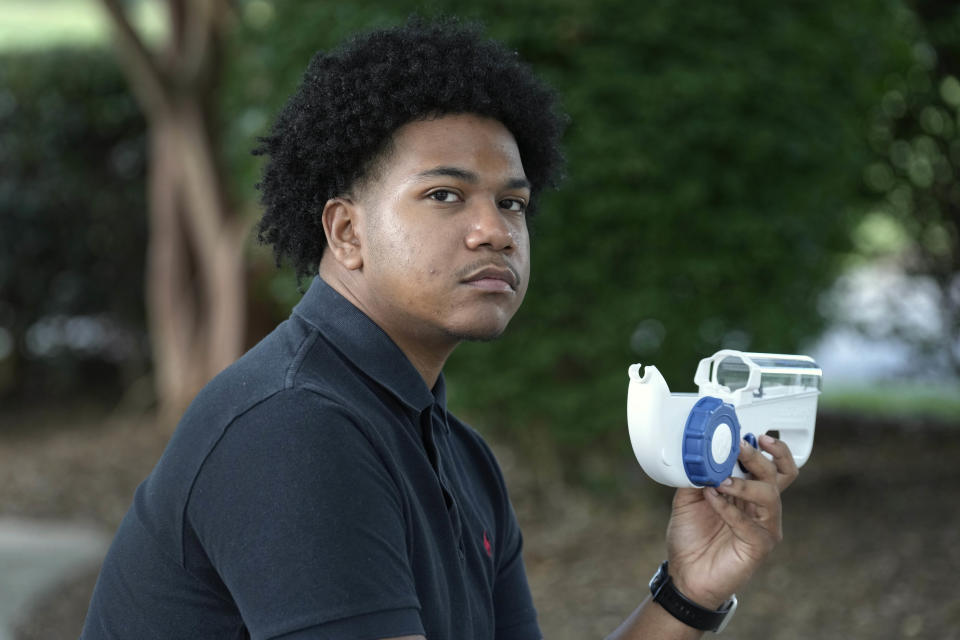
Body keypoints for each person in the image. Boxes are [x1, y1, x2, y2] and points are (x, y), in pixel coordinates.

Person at [81, 17, 798, 640]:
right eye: (444, 195)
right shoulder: (293, 428)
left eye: (513, 203)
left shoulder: (455, 451)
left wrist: (687, 593)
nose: (494, 231)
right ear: (346, 231)